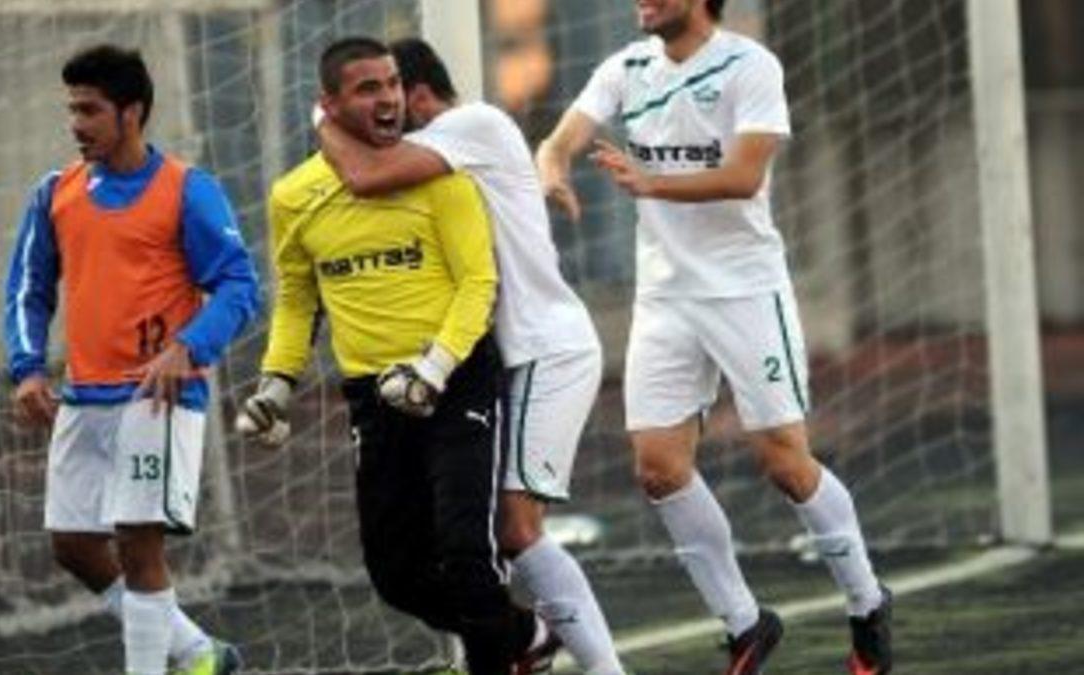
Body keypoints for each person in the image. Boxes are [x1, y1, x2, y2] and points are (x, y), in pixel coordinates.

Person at [535, 1, 893, 674]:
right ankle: (746, 623)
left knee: (785, 463)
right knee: (658, 468)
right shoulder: (626, 67)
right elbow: (563, 137)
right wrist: (551, 166)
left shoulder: (750, 65)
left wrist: (651, 182)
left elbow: (744, 176)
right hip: (665, 298)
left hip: (746, 291)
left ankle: (867, 603)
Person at [235, 37, 553, 675]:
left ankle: (499, 654)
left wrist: (434, 368)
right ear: (329, 105)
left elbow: (478, 284)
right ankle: (525, 633)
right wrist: (277, 383)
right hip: (373, 399)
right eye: (368, 88)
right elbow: (297, 298)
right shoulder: (293, 196)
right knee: (396, 574)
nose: (389, 99)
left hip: (455, 383)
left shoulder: (440, 175)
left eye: (392, 84)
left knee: (467, 554)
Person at [314, 37, 624, 675]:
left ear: (417, 94)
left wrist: (324, 117)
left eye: (389, 93)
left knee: (513, 528)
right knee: (456, 539)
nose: (384, 113)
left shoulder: (472, 124)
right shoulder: (445, 150)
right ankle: (516, 644)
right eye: (368, 93)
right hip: (497, 360)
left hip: (544, 350)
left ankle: (588, 663)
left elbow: (363, 174)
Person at [3, 44, 258, 675]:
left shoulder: (188, 190)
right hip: (83, 396)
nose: (76, 123)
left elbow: (239, 285)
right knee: (72, 545)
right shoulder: (54, 193)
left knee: (139, 546)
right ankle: (199, 654)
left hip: (157, 398)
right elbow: (28, 290)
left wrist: (187, 348)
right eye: (72, 110)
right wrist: (27, 368)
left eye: (90, 110)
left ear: (132, 112)